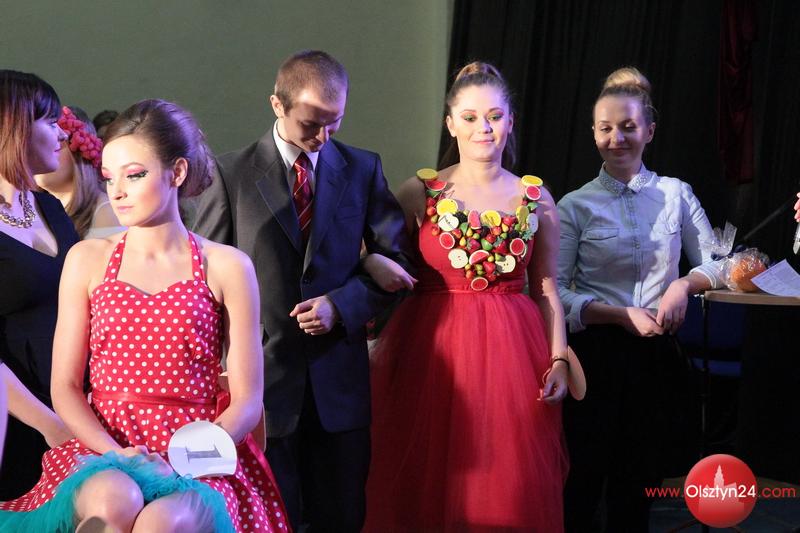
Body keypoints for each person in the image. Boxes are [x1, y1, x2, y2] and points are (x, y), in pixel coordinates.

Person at [0, 99, 289, 533]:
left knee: (162, 521)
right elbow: (65, 387)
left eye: (134, 175)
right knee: (113, 499)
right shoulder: (88, 259)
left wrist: (188, 457)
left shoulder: (226, 265)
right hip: (105, 447)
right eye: (109, 177)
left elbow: (247, 400)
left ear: (177, 172)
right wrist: (114, 453)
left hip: (194, 453)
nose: (117, 191)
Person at [193, 49, 411, 532]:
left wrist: (342, 304)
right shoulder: (230, 175)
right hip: (262, 386)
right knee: (272, 520)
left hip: (340, 381)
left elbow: (398, 265)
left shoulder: (362, 168)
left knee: (343, 517)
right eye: (311, 124)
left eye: (335, 123)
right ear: (278, 104)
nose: (323, 137)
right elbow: (204, 285)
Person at [364, 61, 571, 532]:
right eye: (471, 117)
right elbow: (372, 257)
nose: (485, 127)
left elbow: (546, 288)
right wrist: (372, 263)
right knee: (426, 481)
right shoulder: (420, 192)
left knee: (501, 481)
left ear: (510, 122)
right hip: (431, 355)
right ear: (451, 123)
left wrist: (559, 358)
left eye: (495, 116)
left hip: (513, 359)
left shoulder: (536, 199)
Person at [557, 67, 722, 532]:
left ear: (649, 130)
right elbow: (553, 291)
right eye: (606, 128)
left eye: (628, 127)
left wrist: (683, 285)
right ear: (593, 133)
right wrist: (617, 315)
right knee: (582, 482)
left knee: (638, 485)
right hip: (593, 356)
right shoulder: (573, 205)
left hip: (655, 356)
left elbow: (721, 263)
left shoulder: (676, 194)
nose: (617, 139)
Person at [0, 70, 80, 499]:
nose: (63, 134)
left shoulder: (49, 206)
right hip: (20, 425)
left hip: (74, 409)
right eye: (50, 121)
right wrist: (50, 424)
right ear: (13, 127)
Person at [35, 106, 123, 238]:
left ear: (80, 153)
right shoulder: (37, 211)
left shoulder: (107, 213)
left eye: (57, 145)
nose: (41, 156)